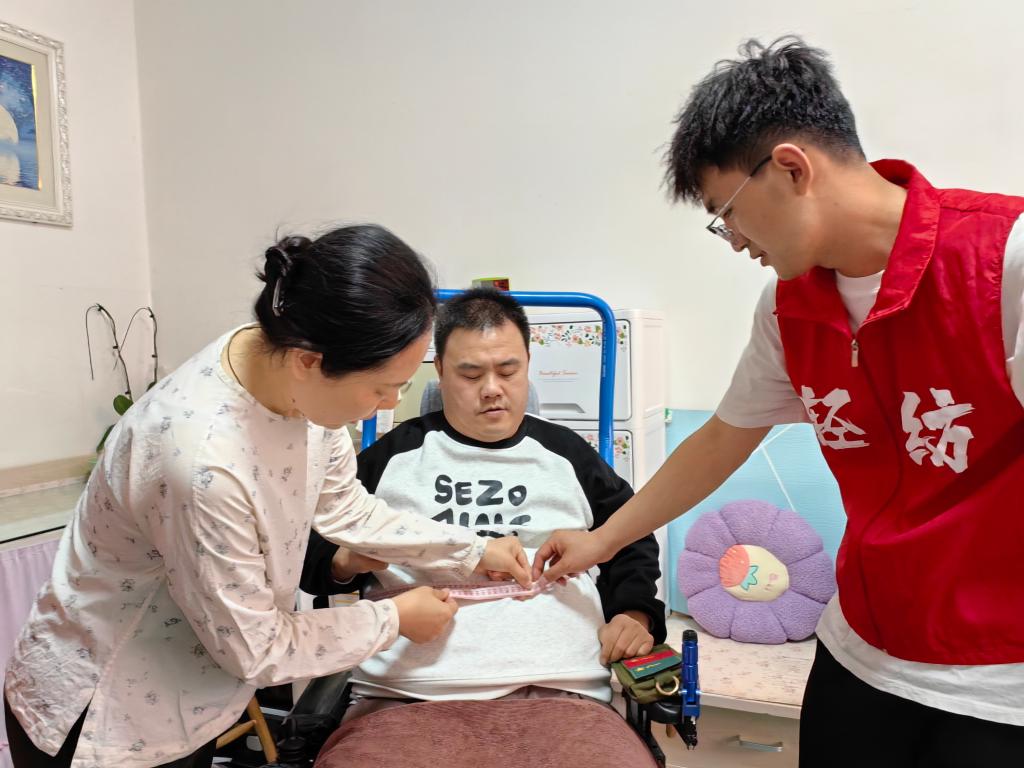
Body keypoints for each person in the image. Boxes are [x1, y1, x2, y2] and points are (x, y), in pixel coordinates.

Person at [533, 38, 1024, 766]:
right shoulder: (787, 306)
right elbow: (722, 439)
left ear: (792, 168)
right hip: (863, 647)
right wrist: (602, 541)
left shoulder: (1005, 261)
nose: (732, 240)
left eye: (726, 212)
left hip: (998, 679)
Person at [3, 225, 529, 768]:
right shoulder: (202, 462)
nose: (391, 403)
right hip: (105, 714)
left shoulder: (288, 366)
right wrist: (392, 619)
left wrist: (471, 549)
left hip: (189, 695)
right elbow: (257, 647)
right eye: (381, 387)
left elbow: (344, 506)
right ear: (309, 361)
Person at [302, 288, 665, 718]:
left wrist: (634, 613)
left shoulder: (567, 455)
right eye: (471, 375)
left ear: (528, 363)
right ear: (440, 370)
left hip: (560, 686)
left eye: (509, 371)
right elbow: (310, 549)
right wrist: (344, 562)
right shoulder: (393, 457)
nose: (492, 390)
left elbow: (629, 536)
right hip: (405, 692)